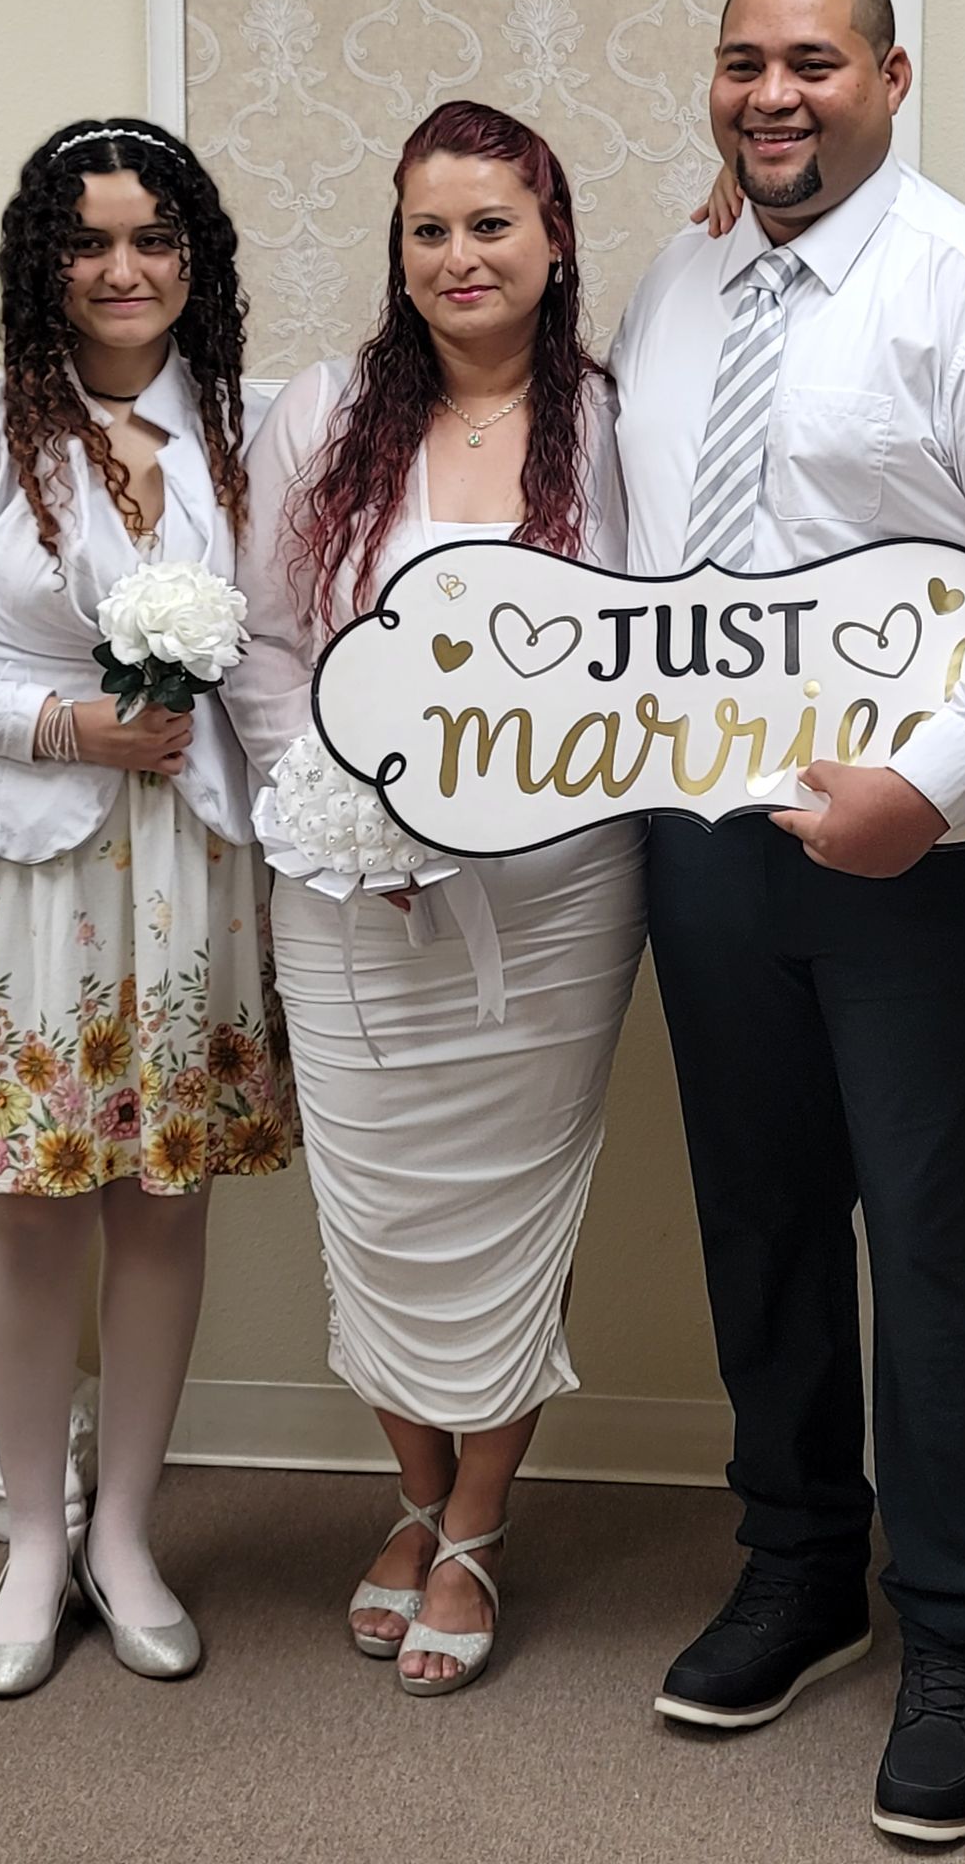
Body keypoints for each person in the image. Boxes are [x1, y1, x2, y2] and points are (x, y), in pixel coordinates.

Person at [610, 0, 965, 1843]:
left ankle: (963, 1633)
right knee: (757, 1219)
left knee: (940, 1243)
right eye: (742, 62)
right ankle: (801, 1569)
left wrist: (936, 792)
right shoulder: (681, 281)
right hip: (710, 835)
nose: (774, 94)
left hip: (928, 857)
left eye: (814, 62)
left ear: (892, 80)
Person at [0, 119, 296, 1697]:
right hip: (18, 881)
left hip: (191, 871)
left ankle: (129, 1537)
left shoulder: (254, 427)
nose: (122, 269)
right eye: (88, 241)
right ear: (45, 261)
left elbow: (290, 648)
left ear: (195, 260)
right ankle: (35, 1542)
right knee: (30, 1212)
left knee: (166, 1204)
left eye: (154, 238)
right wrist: (62, 727)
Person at [227, 99, 645, 1697]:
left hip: (559, 893)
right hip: (346, 888)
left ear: (554, 239)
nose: (461, 255)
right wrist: (347, 815)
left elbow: (656, 653)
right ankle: (412, 1492)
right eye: (429, 229)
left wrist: (501, 819)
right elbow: (271, 645)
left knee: (512, 1202)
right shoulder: (325, 412)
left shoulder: (616, 419)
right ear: (397, 251)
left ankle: (475, 1520)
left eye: (492, 224)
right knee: (378, 1208)